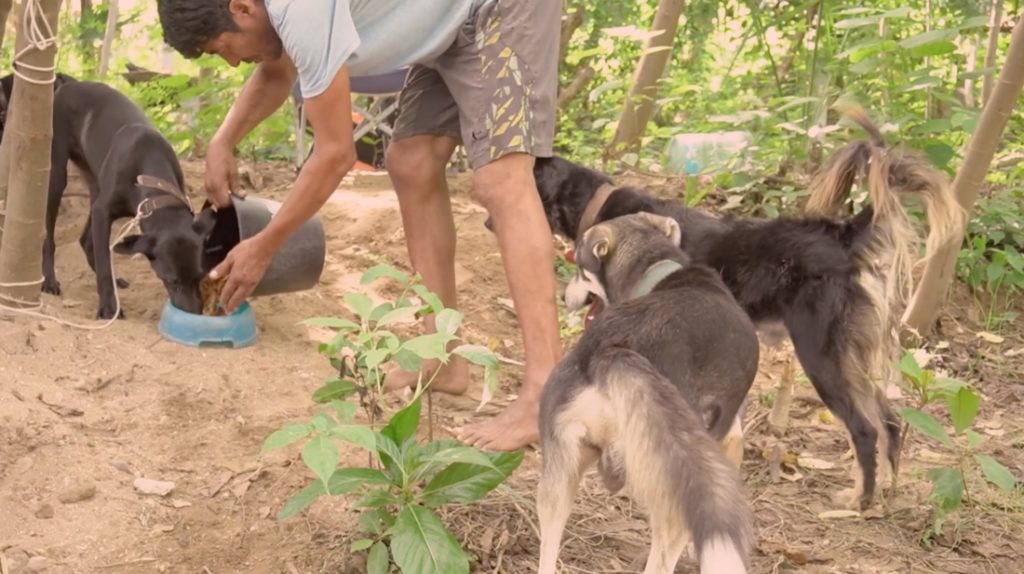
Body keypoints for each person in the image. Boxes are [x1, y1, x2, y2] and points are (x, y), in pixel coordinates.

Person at [157, 0, 563, 451]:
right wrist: (223, 139)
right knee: (411, 162)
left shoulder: (298, 8)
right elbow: (279, 70)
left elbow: (335, 154)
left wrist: (265, 244)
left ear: (241, 8)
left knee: (501, 180)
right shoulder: (274, 15)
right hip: (452, 20)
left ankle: (545, 394)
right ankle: (443, 357)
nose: (231, 61)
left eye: (223, 48)